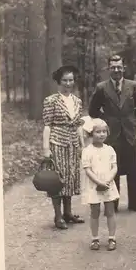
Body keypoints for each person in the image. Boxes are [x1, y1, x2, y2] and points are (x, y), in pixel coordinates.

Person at [88, 54, 136, 213]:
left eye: (119, 67)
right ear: (108, 69)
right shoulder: (101, 87)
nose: (116, 70)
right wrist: (106, 120)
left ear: (123, 68)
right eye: (113, 67)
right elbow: (93, 111)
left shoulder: (133, 86)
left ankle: (135, 203)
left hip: (130, 132)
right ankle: (112, 202)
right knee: (112, 168)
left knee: (132, 169)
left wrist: (132, 120)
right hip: (111, 134)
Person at [42, 65, 85, 230]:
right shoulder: (51, 100)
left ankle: (68, 213)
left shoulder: (77, 101)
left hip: (73, 144)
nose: (68, 83)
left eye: (71, 80)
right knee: (58, 180)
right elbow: (47, 125)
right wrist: (46, 149)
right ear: (59, 82)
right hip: (57, 143)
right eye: (65, 80)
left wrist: (81, 144)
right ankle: (58, 216)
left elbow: (79, 124)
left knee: (71, 178)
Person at [81, 117, 119, 251]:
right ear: (91, 134)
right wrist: (98, 182)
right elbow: (87, 169)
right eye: (98, 132)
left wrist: (107, 181)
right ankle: (95, 238)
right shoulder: (87, 151)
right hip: (94, 185)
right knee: (95, 211)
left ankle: (112, 237)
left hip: (108, 183)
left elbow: (114, 167)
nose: (101, 134)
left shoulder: (110, 150)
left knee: (110, 210)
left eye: (104, 131)